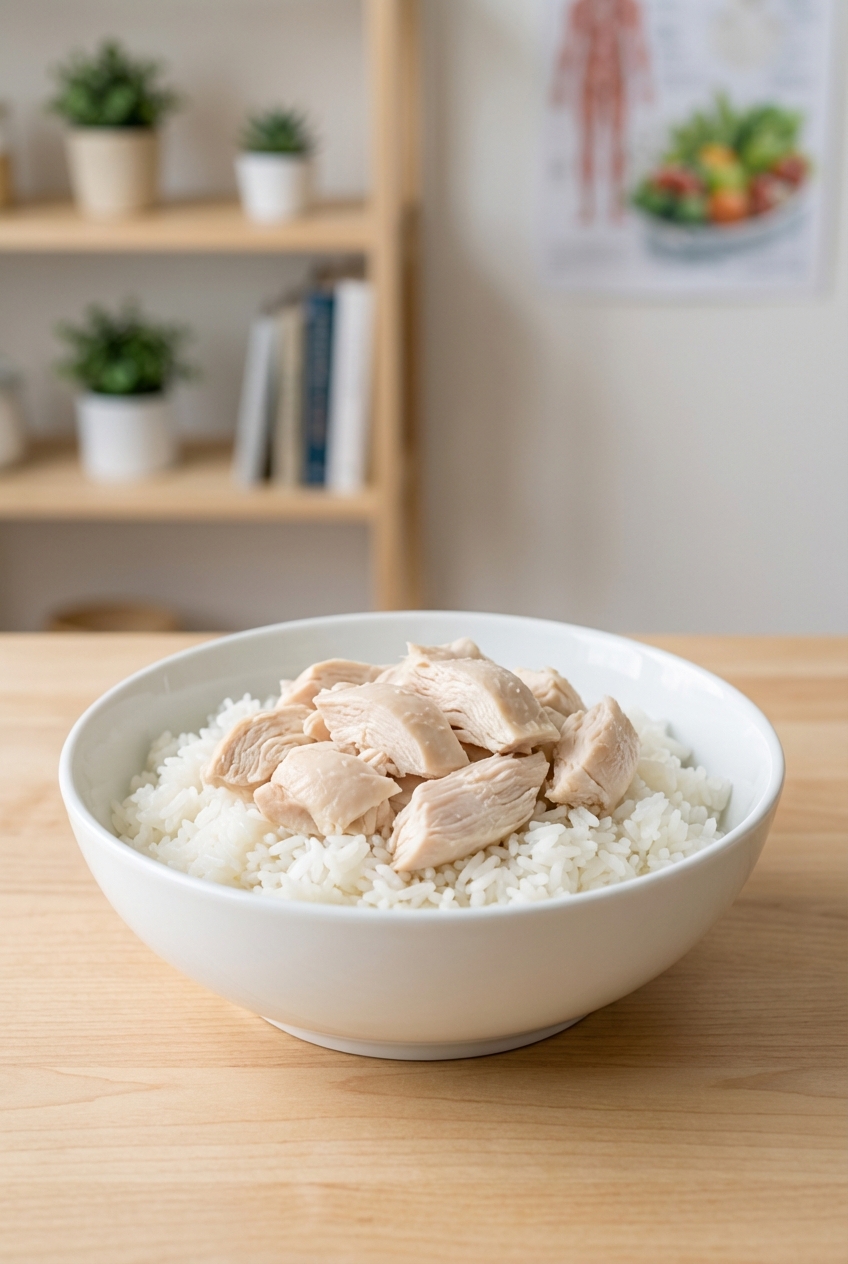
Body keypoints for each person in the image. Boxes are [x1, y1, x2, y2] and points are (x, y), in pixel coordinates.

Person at [550, 0, 652, 223]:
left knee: (618, 142)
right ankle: (587, 205)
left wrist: (647, 83)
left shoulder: (628, 6)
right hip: (588, 79)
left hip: (618, 81)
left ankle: (616, 204)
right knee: (587, 141)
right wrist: (558, 83)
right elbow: (569, 41)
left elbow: (638, 41)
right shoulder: (580, 6)